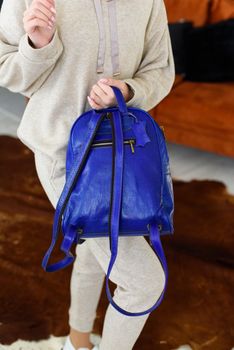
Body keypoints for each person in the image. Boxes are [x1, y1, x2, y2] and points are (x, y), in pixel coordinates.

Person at [0, 0, 175, 349]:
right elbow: (7, 70)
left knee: (94, 250)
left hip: (125, 152)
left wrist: (128, 91)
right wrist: (38, 46)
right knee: (144, 282)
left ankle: (78, 341)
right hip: (64, 156)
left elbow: (161, 69)